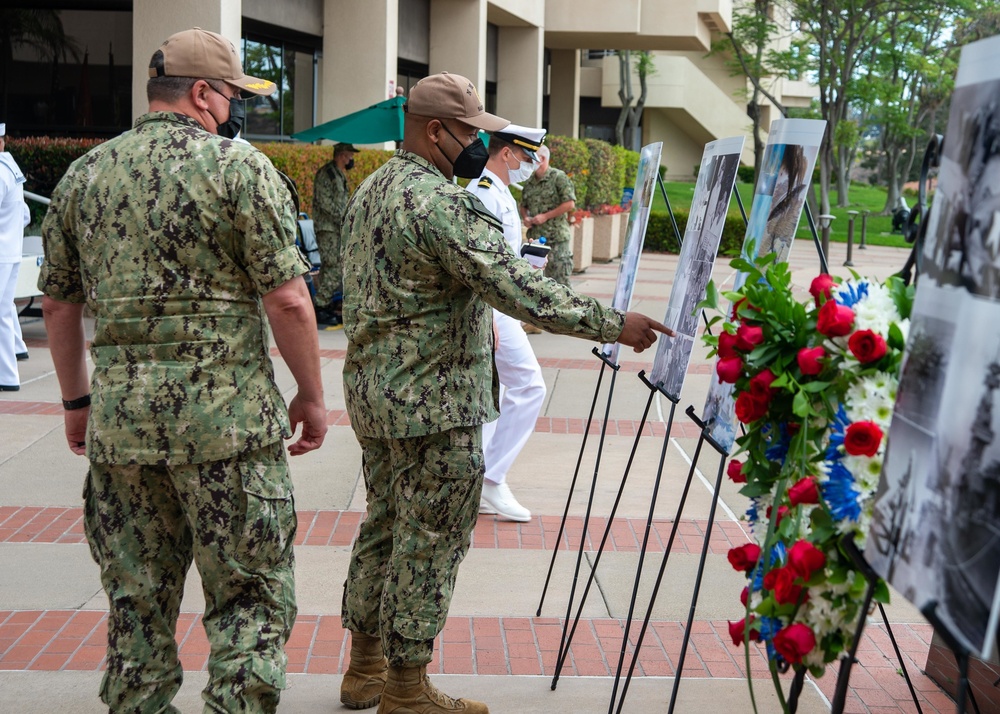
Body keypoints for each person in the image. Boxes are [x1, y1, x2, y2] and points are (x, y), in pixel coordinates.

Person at [338, 71, 671, 714]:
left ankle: (364, 668)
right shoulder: (442, 205)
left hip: (376, 397)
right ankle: (406, 691)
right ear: (434, 131)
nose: (480, 145)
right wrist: (612, 324)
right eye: (471, 132)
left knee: (382, 527)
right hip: (434, 403)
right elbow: (518, 289)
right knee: (430, 539)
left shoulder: (374, 188)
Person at [38, 28, 327, 713]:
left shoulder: (85, 174)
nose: (233, 109)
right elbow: (287, 299)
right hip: (227, 433)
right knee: (248, 601)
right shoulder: (237, 169)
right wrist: (311, 395)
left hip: (123, 432)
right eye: (231, 95)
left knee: (137, 601)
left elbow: (57, 305)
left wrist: (76, 403)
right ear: (202, 93)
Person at [466, 123, 547, 522]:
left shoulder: (499, 193)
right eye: (527, 157)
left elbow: (501, 257)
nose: (530, 165)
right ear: (506, 153)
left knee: (498, 397)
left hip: (502, 306)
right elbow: (478, 265)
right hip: (493, 310)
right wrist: (493, 320)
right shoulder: (482, 195)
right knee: (530, 386)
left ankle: (482, 477)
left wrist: (527, 263)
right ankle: (491, 479)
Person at [312, 142, 359, 325]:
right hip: (328, 229)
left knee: (329, 266)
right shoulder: (328, 174)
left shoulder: (338, 174)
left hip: (334, 228)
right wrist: (344, 218)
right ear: (341, 155)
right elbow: (325, 203)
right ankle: (320, 305)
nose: (351, 159)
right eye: (349, 155)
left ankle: (324, 305)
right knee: (334, 267)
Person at [0, 121, 31, 391]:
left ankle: (6, 376)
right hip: (9, 252)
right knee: (4, 312)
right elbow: (25, 215)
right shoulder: (11, 168)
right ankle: (8, 373)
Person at [520, 144, 576, 287]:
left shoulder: (558, 177)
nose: (529, 160)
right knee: (537, 284)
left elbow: (569, 203)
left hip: (556, 239)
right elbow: (523, 205)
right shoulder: (530, 182)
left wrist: (545, 216)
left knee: (560, 284)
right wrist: (525, 218)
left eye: (533, 157)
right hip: (536, 241)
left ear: (542, 158)